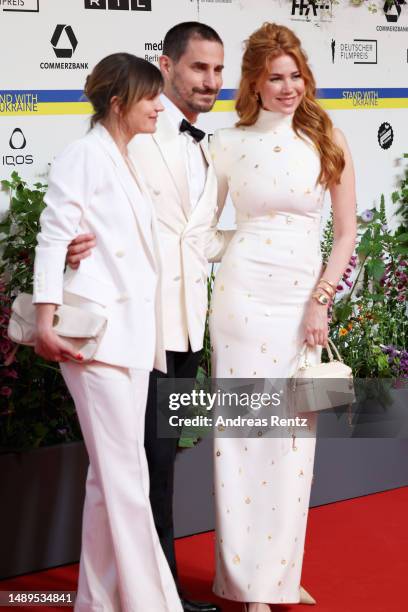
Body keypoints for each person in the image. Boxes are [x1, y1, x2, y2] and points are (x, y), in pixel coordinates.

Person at [67, 22, 232, 612]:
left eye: (218, 70)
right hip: (135, 328)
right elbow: (83, 204)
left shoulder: (209, 147)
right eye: (198, 69)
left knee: (160, 458)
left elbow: (201, 239)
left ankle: (132, 592)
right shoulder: (132, 133)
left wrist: (262, 244)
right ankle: (156, 595)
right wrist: (63, 248)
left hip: (185, 325)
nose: (211, 81)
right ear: (166, 66)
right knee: (138, 466)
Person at [209, 23, 356, 612]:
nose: (288, 86)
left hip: (300, 305)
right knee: (241, 437)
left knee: (293, 441)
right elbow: (203, 229)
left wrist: (321, 298)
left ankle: (277, 575)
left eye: (296, 75)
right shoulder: (227, 144)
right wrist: (233, 245)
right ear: (254, 82)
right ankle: (246, 587)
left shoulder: (329, 138)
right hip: (242, 301)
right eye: (276, 77)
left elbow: (345, 233)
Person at [33, 53, 183, 612]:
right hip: (93, 340)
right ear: (118, 102)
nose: (160, 106)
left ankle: (97, 601)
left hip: (131, 339)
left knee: (110, 478)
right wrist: (45, 323)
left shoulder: (125, 158)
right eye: (150, 97)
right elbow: (54, 237)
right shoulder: (84, 155)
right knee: (125, 478)